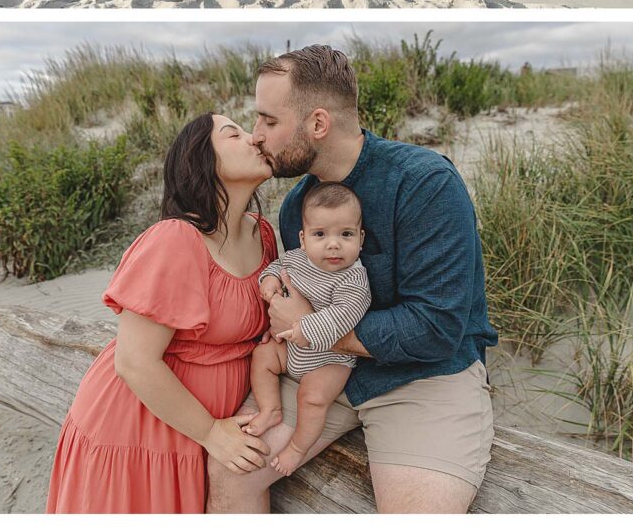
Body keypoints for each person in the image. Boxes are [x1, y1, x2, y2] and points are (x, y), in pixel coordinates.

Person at [206, 45, 498, 515]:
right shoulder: (296, 208)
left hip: (427, 377)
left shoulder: (424, 183)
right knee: (229, 469)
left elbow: (437, 328)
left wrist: (314, 326)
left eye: (269, 121)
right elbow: (299, 299)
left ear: (317, 124)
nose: (257, 136)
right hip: (320, 369)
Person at [46, 113, 276, 514]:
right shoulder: (176, 239)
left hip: (205, 434)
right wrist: (210, 433)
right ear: (202, 161)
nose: (253, 138)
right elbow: (134, 362)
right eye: (233, 134)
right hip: (141, 430)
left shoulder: (265, 235)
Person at [245, 181, 371, 477]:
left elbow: (343, 316)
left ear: (361, 238)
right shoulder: (297, 259)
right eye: (320, 234)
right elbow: (277, 266)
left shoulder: (353, 279)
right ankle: (270, 408)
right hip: (291, 349)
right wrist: (269, 281)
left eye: (346, 234)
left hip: (329, 360)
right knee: (262, 356)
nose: (333, 244)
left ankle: (298, 448)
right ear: (303, 239)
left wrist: (301, 327)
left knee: (312, 398)